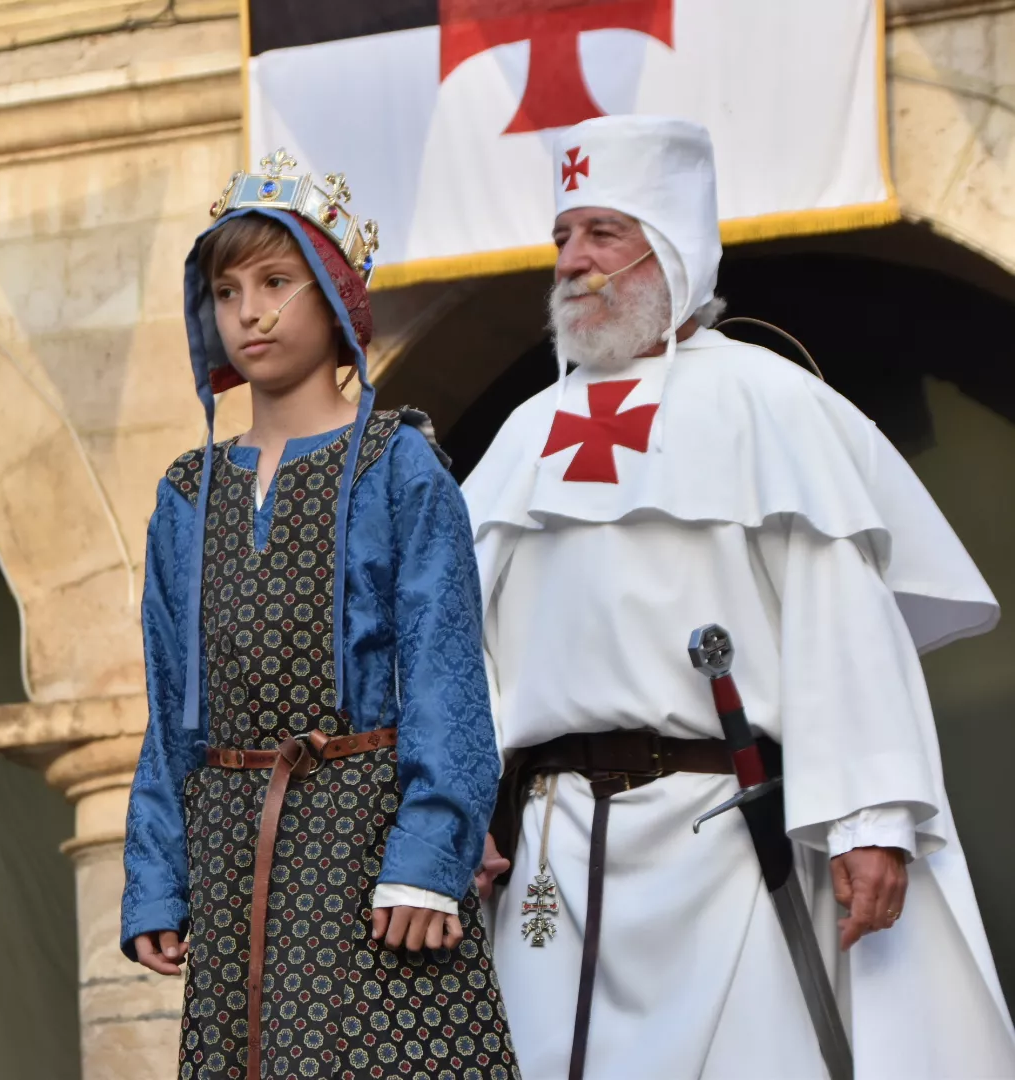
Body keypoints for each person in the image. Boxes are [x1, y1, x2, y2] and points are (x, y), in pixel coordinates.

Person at [463, 114, 1015, 1079]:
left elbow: (839, 625)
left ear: (672, 243)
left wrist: (873, 818)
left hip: (728, 841)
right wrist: (458, 809)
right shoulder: (525, 435)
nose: (572, 263)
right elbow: (461, 652)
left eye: (603, 233)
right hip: (559, 847)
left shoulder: (772, 404)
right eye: (562, 238)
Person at [121, 150, 520, 1080]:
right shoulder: (188, 493)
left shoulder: (398, 464)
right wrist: (156, 878)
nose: (248, 312)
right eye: (225, 291)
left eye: (274, 282)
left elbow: (445, 674)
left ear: (334, 292)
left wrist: (430, 851)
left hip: (368, 837)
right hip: (234, 851)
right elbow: (172, 702)